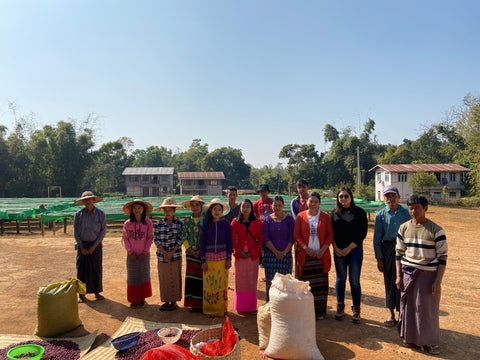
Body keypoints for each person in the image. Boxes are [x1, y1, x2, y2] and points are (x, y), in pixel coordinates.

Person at [396, 195, 447, 355]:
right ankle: (410, 339)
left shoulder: (436, 230)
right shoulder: (403, 228)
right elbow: (398, 253)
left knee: (426, 310)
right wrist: (398, 276)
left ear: (425, 208)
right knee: (408, 307)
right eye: (410, 208)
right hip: (407, 274)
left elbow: (442, 258)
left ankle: (429, 342)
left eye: (417, 207)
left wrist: (437, 281)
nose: (413, 211)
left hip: (427, 276)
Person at [373, 185, 411, 326]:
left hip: (405, 249)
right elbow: (377, 239)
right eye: (387, 196)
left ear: (399, 197)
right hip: (388, 249)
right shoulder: (380, 215)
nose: (390, 199)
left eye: (393, 196)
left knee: (404, 280)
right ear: (384, 199)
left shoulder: (406, 213)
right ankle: (391, 313)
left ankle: (403, 313)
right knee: (389, 281)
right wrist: (379, 259)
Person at [330, 187, 368, 323]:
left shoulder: (359, 213)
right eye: (341, 197)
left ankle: (356, 309)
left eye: (346, 196)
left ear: (351, 197)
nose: (343, 199)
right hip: (339, 250)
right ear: (338, 199)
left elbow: (362, 233)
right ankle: (340, 306)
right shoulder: (334, 214)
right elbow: (331, 234)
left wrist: (349, 248)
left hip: (355, 251)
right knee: (341, 279)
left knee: (354, 280)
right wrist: (335, 248)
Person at [294, 191, 333, 319]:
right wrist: (305, 248)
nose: (313, 204)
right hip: (306, 256)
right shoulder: (300, 216)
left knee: (320, 285)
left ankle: (320, 311)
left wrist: (322, 250)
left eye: (316, 201)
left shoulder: (325, 216)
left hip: (321, 256)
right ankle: (306, 312)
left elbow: (330, 235)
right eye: (311, 201)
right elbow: (297, 235)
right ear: (307, 202)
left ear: (319, 203)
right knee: (306, 284)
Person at [200, 198, 233, 317]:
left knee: (221, 284)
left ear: (222, 211)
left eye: (219, 209)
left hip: (222, 259)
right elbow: (202, 243)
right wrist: (203, 260)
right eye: (215, 209)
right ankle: (209, 309)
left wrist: (229, 258)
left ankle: (221, 309)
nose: (217, 211)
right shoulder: (206, 224)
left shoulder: (225, 224)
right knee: (209, 285)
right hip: (209, 260)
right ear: (210, 211)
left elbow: (230, 242)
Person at [230, 199, 263, 315]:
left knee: (251, 281)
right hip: (240, 256)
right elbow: (233, 240)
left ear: (251, 208)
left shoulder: (258, 223)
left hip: (252, 257)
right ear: (240, 208)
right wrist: (239, 251)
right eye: (243, 207)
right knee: (240, 281)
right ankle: (240, 306)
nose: (245, 209)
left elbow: (260, 241)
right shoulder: (235, 222)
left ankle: (251, 306)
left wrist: (252, 253)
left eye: (248, 207)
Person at [73, 191, 106, 303]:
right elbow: (76, 232)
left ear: (93, 200)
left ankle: (97, 292)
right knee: (81, 269)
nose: (88, 201)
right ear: (83, 202)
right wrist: (81, 246)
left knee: (96, 269)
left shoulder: (100, 214)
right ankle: (81, 295)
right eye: (85, 200)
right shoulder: (78, 215)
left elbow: (103, 231)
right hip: (82, 244)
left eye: (90, 199)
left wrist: (95, 245)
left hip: (95, 245)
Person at [122, 199, 154, 308]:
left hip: (144, 255)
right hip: (131, 256)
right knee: (132, 276)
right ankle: (133, 300)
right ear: (131, 210)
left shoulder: (148, 223)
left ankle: (142, 299)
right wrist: (130, 252)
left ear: (143, 210)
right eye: (135, 208)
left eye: (139, 208)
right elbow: (125, 239)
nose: (137, 210)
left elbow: (150, 239)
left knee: (143, 276)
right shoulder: (127, 224)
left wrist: (145, 252)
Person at [263, 195, 295, 301]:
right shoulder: (267, 220)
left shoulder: (289, 220)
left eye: (279, 205)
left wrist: (284, 252)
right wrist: (276, 252)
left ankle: (284, 306)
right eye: (275, 205)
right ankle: (271, 305)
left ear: (283, 206)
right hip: (270, 256)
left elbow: (291, 238)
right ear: (271, 206)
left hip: (286, 256)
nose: (277, 207)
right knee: (271, 282)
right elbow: (266, 239)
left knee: (285, 282)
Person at [153, 197, 183, 311]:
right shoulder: (159, 223)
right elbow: (156, 239)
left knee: (175, 277)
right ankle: (166, 301)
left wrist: (172, 252)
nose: (168, 212)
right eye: (166, 210)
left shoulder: (179, 223)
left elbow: (181, 239)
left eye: (170, 210)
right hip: (162, 256)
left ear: (174, 211)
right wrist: (165, 252)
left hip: (175, 256)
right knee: (164, 278)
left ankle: (174, 301)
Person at [180, 195, 206, 312]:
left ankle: (202, 303)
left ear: (201, 206)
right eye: (192, 205)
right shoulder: (186, 221)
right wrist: (192, 251)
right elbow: (183, 237)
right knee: (191, 278)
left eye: (197, 205)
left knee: (202, 279)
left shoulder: (206, 221)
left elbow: (208, 237)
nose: (195, 207)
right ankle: (192, 304)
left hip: (203, 255)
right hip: (190, 255)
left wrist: (200, 251)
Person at [290, 178, 309, 278]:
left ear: (307, 188)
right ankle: (298, 276)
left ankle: (308, 276)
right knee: (298, 256)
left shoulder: (312, 200)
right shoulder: (294, 202)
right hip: (298, 233)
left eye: (304, 187)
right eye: (299, 187)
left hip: (310, 233)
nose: (301, 189)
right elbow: (295, 218)